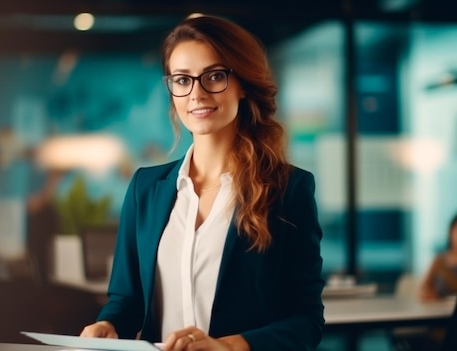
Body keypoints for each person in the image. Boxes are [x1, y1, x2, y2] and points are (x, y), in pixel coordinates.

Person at [80, 14, 325, 351]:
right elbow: (126, 300)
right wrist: (108, 325)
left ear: (242, 84)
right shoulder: (144, 188)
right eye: (182, 79)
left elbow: (306, 321)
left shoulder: (288, 189)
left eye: (214, 76)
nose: (197, 93)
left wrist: (228, 346)